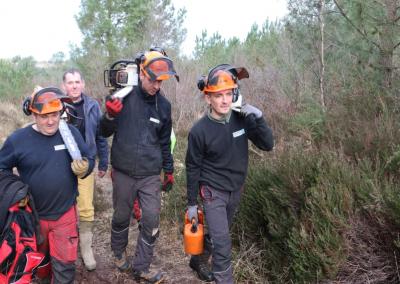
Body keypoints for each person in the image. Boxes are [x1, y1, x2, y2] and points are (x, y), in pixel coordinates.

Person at [186, 64, 274, 283]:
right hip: (212, 191)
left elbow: (267, 144)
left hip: (236, 189)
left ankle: (197, 260)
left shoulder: (242, 119)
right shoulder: (199, 131)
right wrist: (191, 203)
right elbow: (192, 167)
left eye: (228, 94)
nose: (225, 100)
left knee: (217, 237)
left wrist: (258, 116)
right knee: (223, 246)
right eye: (218, 96)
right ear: (208, 99)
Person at [0, 87, 95, 283]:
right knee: (40, 265)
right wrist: (16, 191)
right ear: (34, 114)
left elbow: (89, 158)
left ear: (61, 112)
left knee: (65, 267)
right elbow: (2, 169)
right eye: (44, 116)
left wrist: (85, 166)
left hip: (65, 214)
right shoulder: (18, 140)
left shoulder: (71, 134)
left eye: (54, 115)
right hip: (33, 217)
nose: (51, 121)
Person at [100, 50, 177, 283]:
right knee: (122, 216)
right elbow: (102, 132)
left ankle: (142, 266)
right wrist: (110, 117)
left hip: (150, 174)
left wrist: (169, 169)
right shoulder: (123, 97)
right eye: (152, 79)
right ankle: (117, 251)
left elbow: (165, 141)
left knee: (151, 219)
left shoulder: (163, 106)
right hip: (123, 172)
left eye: (161, 81)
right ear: (142, 73)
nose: (157, 85)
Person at [62, 68, 109, 271]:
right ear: (64, 86)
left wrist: (103, 161)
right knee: (62, 207)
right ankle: (64, 249)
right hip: (61, 165)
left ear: (83, 84)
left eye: (77, 82)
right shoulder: (57, 105)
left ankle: (86, 249)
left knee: (86, 208)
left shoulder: (92, 106)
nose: (74, 86)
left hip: (86, 163)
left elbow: (100, 135)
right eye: (70, 82)